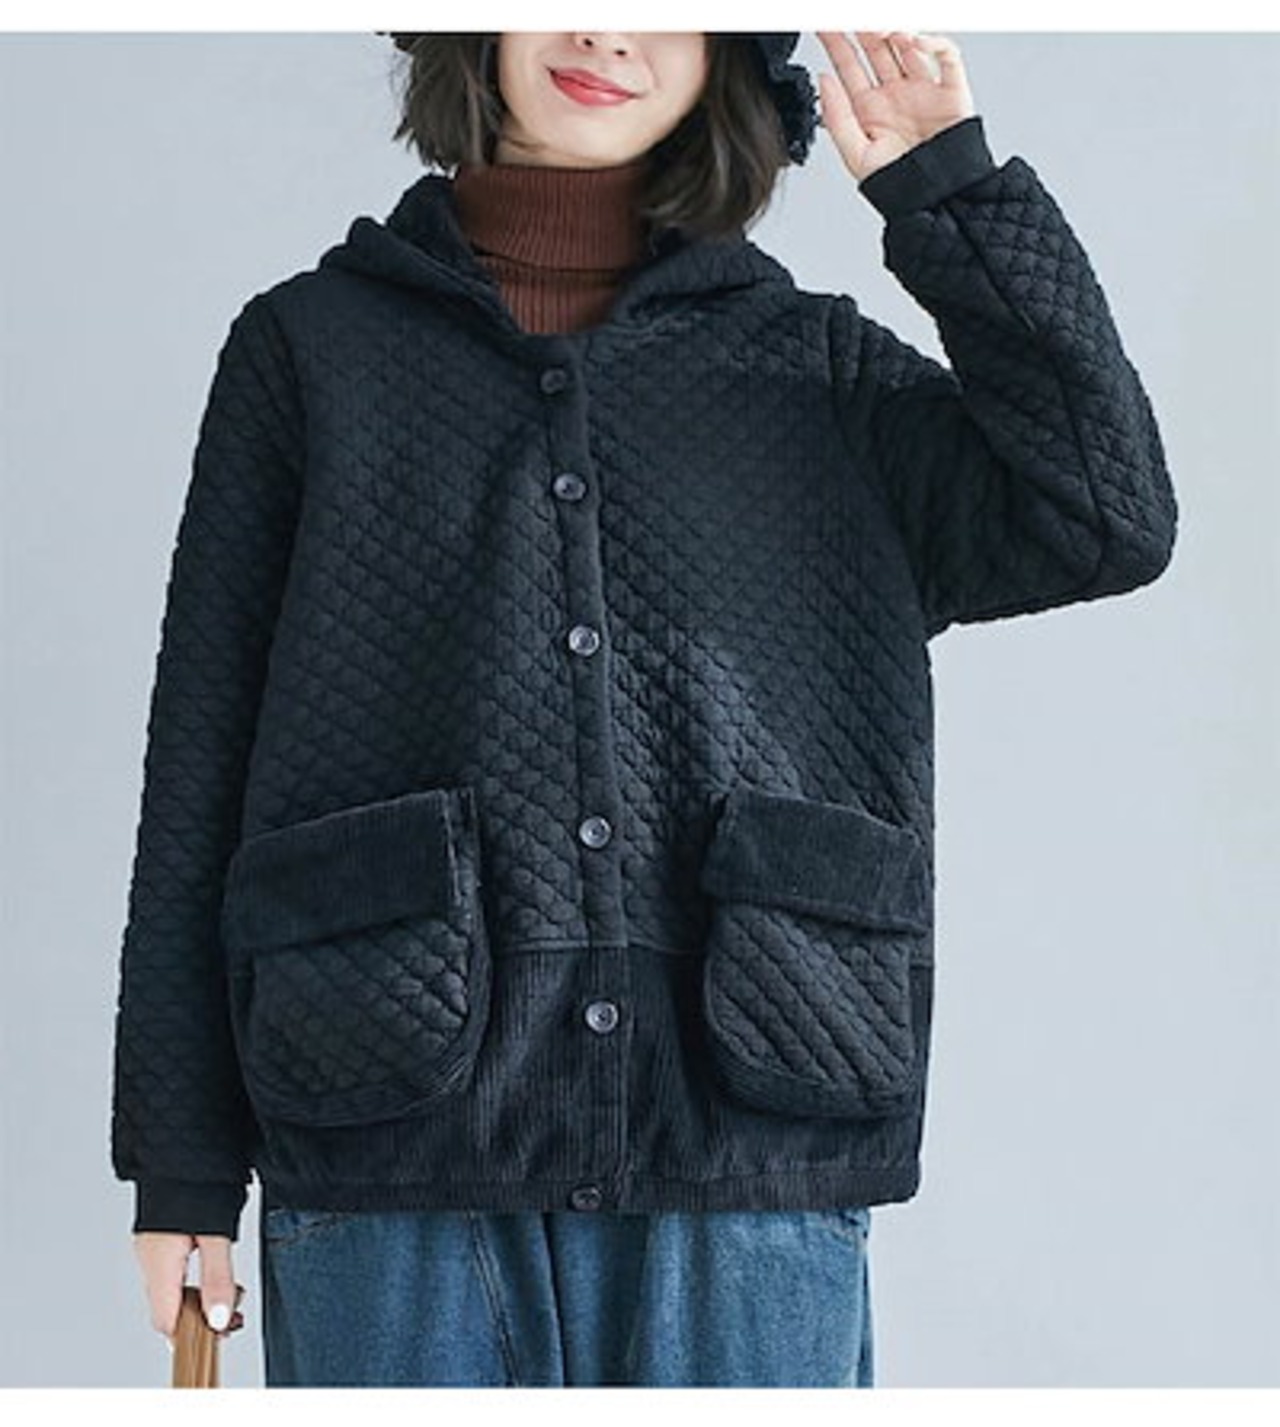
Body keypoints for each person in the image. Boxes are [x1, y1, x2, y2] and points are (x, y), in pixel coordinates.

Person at [112, 30, 1177, 1388]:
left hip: (748, 1117)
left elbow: (1102, 517)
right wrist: (184, 1165)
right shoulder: (308, 353)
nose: (609, 31)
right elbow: (199, 760)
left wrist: (948, 195)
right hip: (392, 1125)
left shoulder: (817, 371)